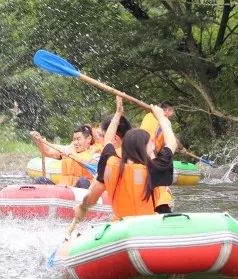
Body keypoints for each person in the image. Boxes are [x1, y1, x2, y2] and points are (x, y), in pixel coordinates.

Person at [67, 102, 176, 237]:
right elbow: (171, 143)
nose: (153, 146)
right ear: (143, 148)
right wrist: (161, 118)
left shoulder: (109, 163)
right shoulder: (153, 168)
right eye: (150, 144)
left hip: (119, 229)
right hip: (147, 229)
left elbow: (107, 141)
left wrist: (118, 113)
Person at [30, 124, 97, 187]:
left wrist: (72, 154)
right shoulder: (68, 149)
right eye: (74, 139)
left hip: (82, 191)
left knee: (83, 181)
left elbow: (89, 164)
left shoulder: (96, 153)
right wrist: (39, 142)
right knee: (40, 180)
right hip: (64, 188)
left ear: (89, 138)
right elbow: (47, 151)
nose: (75, 142)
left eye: (78, 139)